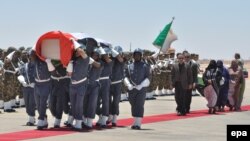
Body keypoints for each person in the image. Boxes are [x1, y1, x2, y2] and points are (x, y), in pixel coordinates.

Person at [124, 48, 150, 129]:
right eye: (135, 55)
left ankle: (138, 123)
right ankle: (135, 121)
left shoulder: (145, 66)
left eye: (138, 55)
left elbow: (148, 78)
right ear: (133, 56)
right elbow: (125, 76)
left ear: (141, 56)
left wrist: (141, 85)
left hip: (141, 89)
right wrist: (128, 84)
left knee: (139, 105)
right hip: (132, 89)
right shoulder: (129, 66)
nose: (137, 56)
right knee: (133, 105)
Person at [82, 48, 103, 129]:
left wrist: (89, 59)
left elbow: (97, 65)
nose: (95, 56)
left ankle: (89, 122)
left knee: (92, 104)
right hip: (85, 85)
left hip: (94, 85)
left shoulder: (100, 62)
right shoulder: (87, 62)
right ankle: (83, 121)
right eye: (93, 54)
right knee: (84, 103)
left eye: (96, 55)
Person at [18, 50, 36, 126]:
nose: (29, 57)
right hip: (26, 87)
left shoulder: (37, 66)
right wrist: (22, 81)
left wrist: (35, 83)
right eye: (28, 56)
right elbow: (20, 74)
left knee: (32, 103)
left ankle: (31, 120)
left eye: (31, 56)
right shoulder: (24, 66)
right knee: (27, 104)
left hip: (33, 87)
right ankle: (31, 117)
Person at [108, 46, 125, 126]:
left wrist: (116, 53)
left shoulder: (122, 59)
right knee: (108, 101)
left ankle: (115, 118)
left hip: (117, 83)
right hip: (110, 83)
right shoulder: (111, 59)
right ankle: (110, 115)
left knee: (115, 102)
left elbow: (120, 59)